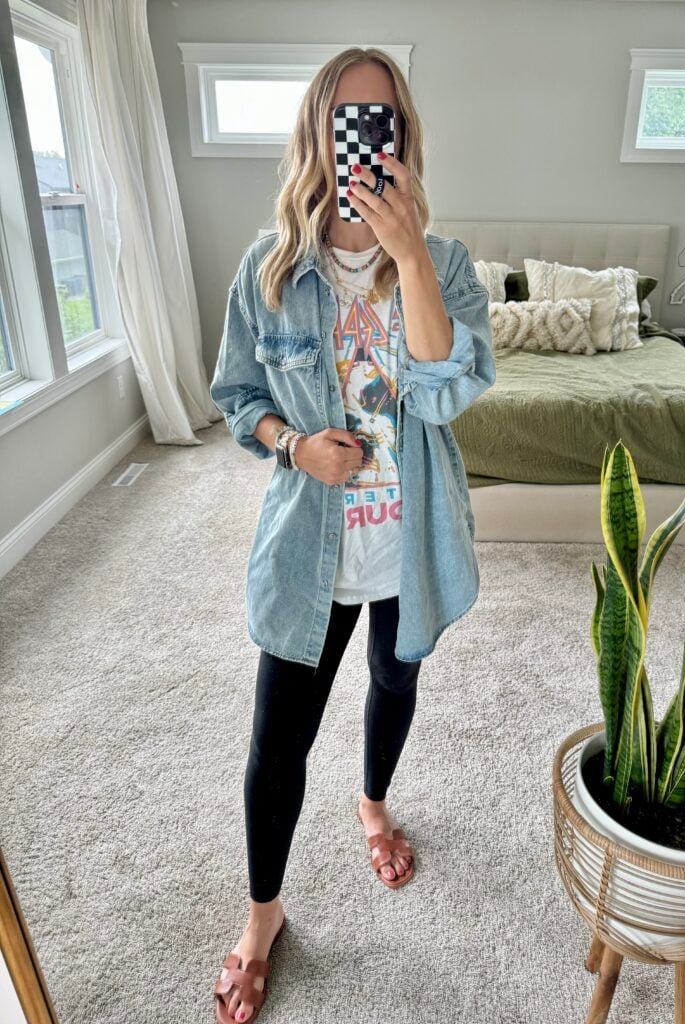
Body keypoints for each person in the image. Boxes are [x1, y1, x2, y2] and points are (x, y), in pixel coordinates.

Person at [209, 46, 495, 1024]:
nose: (366, 140)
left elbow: (449, 391)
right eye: (348, 120)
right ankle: (262, 917)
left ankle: (373, 801)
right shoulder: (271, 266)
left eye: (385, 123)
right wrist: (293, 447)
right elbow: (236, 397)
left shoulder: (446, 265)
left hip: (411, 547)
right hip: (308, 555)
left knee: (394, 681)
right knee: (274, 741)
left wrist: (410, 254)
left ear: (404, 144)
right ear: (318, 136)